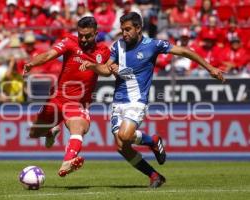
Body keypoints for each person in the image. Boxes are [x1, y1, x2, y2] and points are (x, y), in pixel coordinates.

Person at [80, 12, 225, 188]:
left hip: (137, 100)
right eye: (122, 30)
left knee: (125, 136)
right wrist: (98, 66)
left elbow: (184, 51)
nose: (124, 33)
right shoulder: (118, 46)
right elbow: (105, 70)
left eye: (128, 29)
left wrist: (210, 68)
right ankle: (155, 175)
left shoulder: (152, 45)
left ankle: (151, 141)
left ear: (138, 28)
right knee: (121, 147)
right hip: (119, 101)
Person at [23, 17, 110, 177]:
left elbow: (107, 70)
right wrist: (32, 63)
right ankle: (51, 132)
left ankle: (67, 162)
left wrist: (93, 66)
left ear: (96, 34)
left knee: (78, 129)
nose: (83, 39)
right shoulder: (70, 41)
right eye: (81, 35)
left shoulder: (104, 51)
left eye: (88, 36)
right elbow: (49, 54)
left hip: (78, 103)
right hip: (57, 98)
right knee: (34, 133)